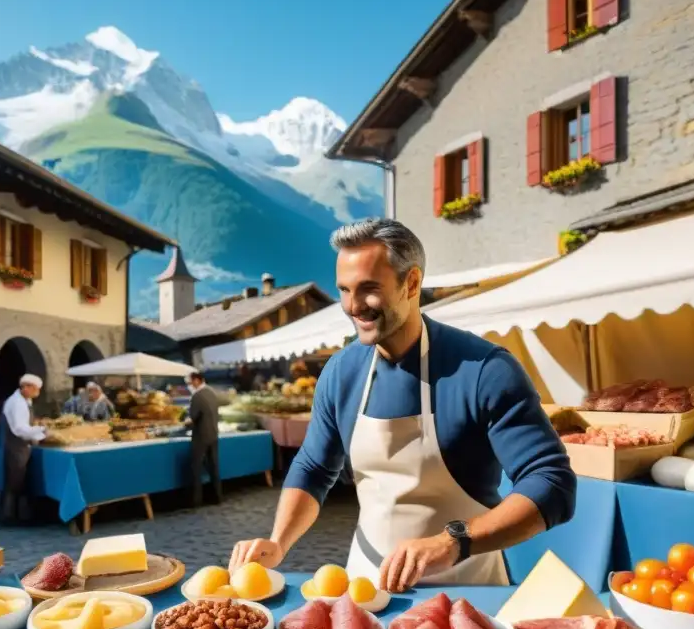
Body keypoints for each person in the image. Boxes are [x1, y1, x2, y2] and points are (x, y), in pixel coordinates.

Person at [229, 218, 576, 592]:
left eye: (368, 289)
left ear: (411, 283)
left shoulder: (485, 370)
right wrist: (279, 541)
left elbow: (552, 483)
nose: (353, 306)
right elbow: (314, 468)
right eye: (344, 290)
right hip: (366, 581)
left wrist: (455, 540)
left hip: (468, 584)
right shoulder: (340, 372)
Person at [0, 374, 46, 523]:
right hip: (16, 445)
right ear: (26, 387)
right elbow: (20, 428)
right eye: (36, 389)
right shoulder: (17, 403)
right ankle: (11, 516)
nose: (37, 393)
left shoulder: (24, 400)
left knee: (17, 479)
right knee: (16, 480)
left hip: (20, 444)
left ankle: (15, 513)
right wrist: (42, 430)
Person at [186, 372, 221, 507]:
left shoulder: (197, 396)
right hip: (213, 434)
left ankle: (196, 500)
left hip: (201, 436)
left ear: (196, 380)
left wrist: (185, 423)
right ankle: (217, 497)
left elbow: (193, 417)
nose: (189, 385)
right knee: (214, 466)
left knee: (196, 467)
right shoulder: (212, 393)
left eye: (190, 382)